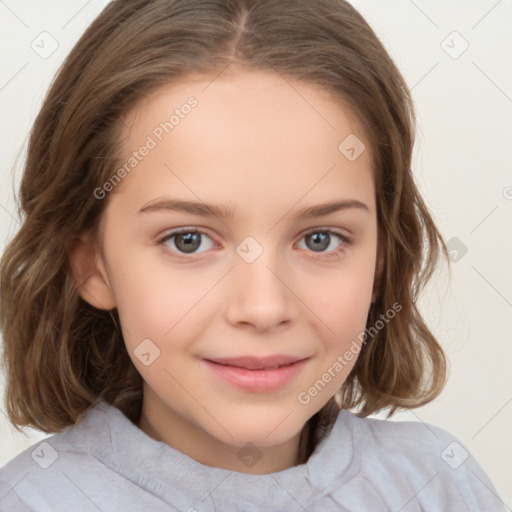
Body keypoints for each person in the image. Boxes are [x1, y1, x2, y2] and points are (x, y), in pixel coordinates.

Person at [0, 0, 506, 510]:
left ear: (380, 257)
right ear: (92, 265)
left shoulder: (439, 485)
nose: (264, 307)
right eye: (188, 240)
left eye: (320, 239)